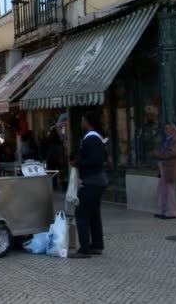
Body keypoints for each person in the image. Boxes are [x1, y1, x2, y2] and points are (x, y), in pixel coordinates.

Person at [70, 111, 108, 259]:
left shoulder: (90, 139)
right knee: (93, 214)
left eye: (82, 120)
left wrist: (78, 163)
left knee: (81, 214)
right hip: (98, 180)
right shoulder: (97, 137)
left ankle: (84, 249)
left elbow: (95, 160)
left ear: (87, 122)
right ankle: (97, 245)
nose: (81, 123)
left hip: (91, 180)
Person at [151, 123, 176, 220]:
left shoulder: (175, 139)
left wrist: (158, 154)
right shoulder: (168, 139)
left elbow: (172, 153)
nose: (165, 131)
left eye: (167, 129)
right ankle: (164, 211)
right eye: (165, 129)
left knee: (170, 190)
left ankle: (171, 213)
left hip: (170, 168)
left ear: (173, 130)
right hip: (164, 167)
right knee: (163, 190)